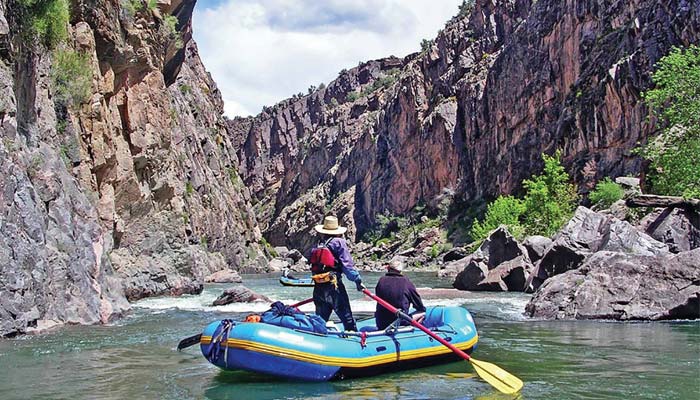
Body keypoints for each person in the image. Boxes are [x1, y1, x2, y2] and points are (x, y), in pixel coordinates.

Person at [309, 215, 365, 332]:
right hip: (334, 288)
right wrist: (358, 281)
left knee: (320, 320)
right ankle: (354, 341)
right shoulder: (339, 242)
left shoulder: (318, 244)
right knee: (347, 319)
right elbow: (347, 266)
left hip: (319, 287)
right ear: (337, 231)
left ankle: (317, 340)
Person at [374, 257, 426, 330]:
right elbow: (419, 306)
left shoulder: (381, 281)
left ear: (388, 268)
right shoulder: (406, 282)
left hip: (381, 323)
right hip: (399, 322)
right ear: (401, 271)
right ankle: (418, 332)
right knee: (423, 313)